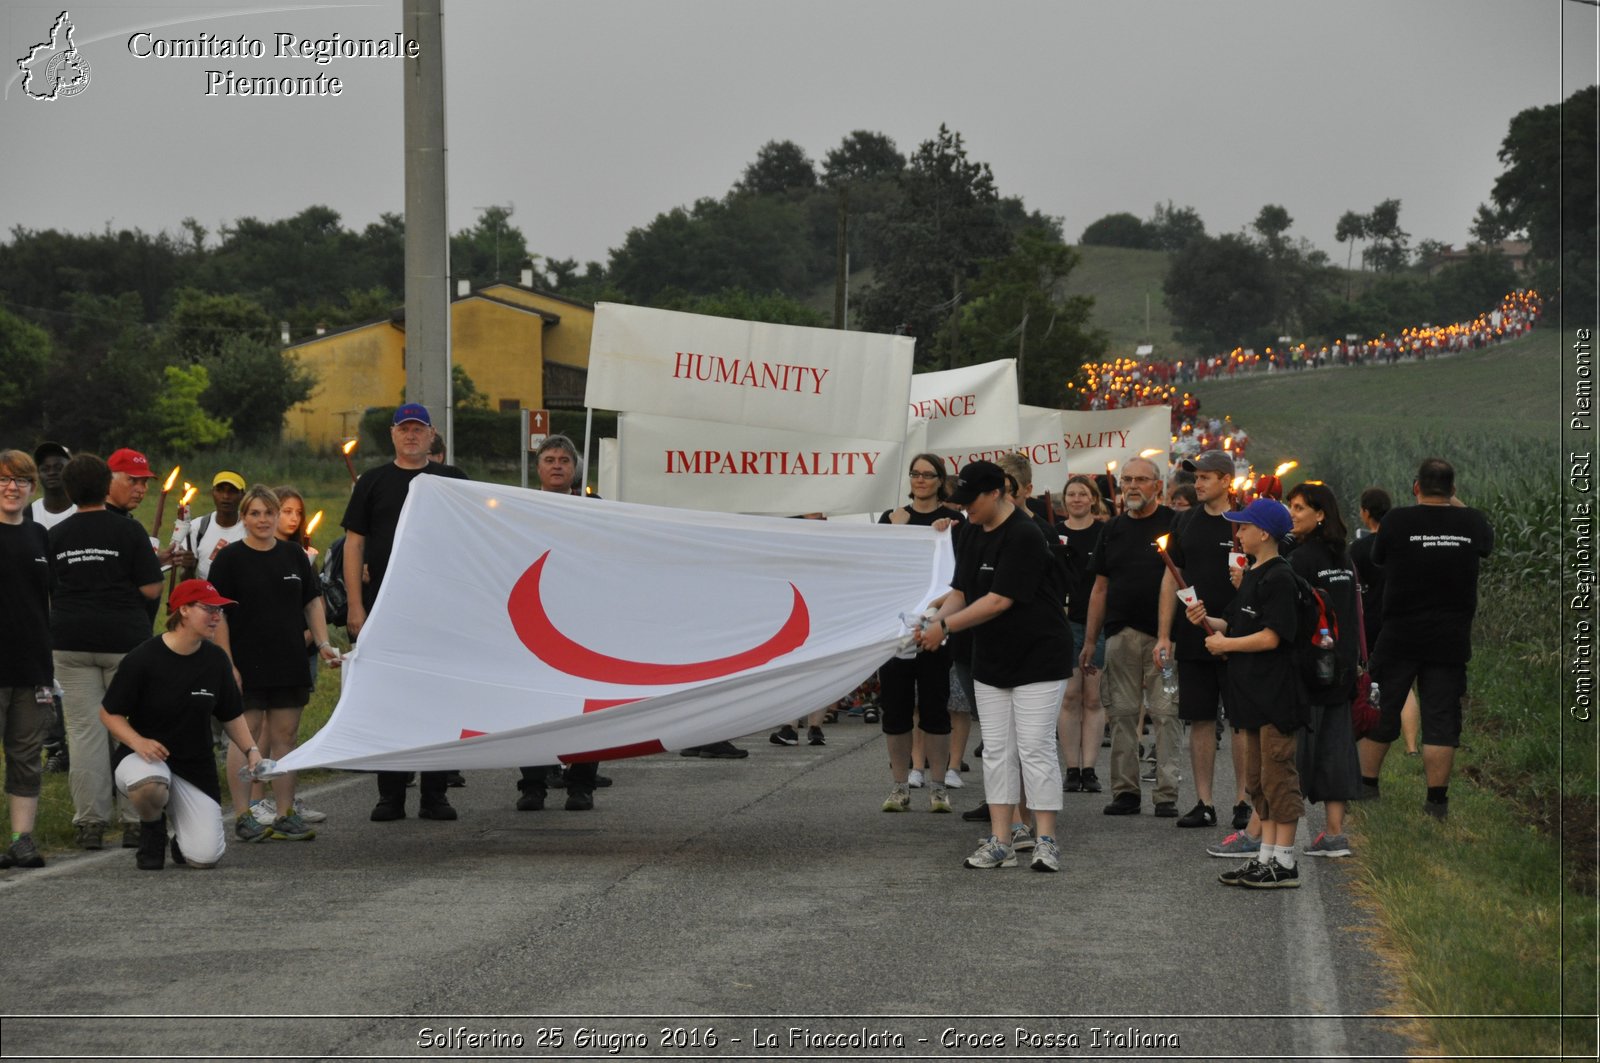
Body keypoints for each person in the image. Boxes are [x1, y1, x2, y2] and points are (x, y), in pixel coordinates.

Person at [917, 460, 1073, 873]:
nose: (966, 509)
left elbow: (1000, 599)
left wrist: (946, 626)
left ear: (996, 493)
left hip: (1040, 655)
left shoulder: (1025, 533)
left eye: (972, 502)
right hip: (991, 657)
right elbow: (963, 590)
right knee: (998, 751)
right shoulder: (969, 531)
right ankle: (1001, 839)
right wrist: (935, 620)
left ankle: (1046, 840)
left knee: (1035, 747)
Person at [341, 402, 469, 822]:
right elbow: (354, 545)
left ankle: (434, 794)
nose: (411, 435)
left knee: (437, 699)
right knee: (389, 699)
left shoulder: (452, 481)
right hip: (385, 608)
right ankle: (390, 794)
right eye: (404, 428)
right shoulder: (373, 482)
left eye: (419, 429)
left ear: (432, 435)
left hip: (442, 609)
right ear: (393, 434)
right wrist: (357, 606)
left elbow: (477, 535)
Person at [1357, 458, 1494, 820]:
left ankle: (1366, 786)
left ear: (1416, 487)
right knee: (1441, 719)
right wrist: (1455, 505)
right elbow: (1485, 543)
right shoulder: (1472, 522)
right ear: (1452, 489)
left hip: (1400, 634)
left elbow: (1379, 556)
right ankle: (1436, 802)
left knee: (1380, 707)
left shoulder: (1396, 521)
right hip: (1449, 639)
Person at [1185, 498, 1307, 889]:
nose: (1237, 534)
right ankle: (1266, 856)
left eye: (1243, 528)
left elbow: (1272, 636)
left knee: (1279, 777)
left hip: (1276, 697)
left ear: (1264, 533)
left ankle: (1284, 861)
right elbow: (1237, 625)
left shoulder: (1281, 578)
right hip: (1251, 697)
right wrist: (1208, 622)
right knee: (1257, 781)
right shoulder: (1254, 574)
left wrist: (1226, 647)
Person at [210, 485, 342, 843]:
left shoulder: (295, 556)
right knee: (246, 738)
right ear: (244, 519)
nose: (263, 520)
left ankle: (285, 813)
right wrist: (227, 663)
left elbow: (312, 601)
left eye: (269, 513)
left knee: (285, 737)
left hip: (288, 660)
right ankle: (243, 815)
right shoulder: (229, 559)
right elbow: (217, 614)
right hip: (245, 663)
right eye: (255, 513)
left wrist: (324, 641)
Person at [100, 579, 262, 870]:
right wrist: (138, 742)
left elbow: (230, 715)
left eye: (220, 611)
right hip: (145, 759)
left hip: (194, 766)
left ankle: (182, 839)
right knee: (150, 785)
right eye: (208, 609)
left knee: (205, 858)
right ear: (183, 611)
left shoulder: (216, 661)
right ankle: (152, 829)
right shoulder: (143, 659)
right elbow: (108, 713)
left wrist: (251, 751)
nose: (216, 617)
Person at [49, 454, 164, 850]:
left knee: (84, 733)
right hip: (124, 641)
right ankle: (135, 819)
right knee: (128, 729)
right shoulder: (128, 532)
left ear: (67, 492)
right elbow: (152, 589)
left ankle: (90, 823)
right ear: (105, 487)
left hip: (69, 641)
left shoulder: (57, 535)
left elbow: (50, 589)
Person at [1079, 457, 1181, 818]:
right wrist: (1091, 640)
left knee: (1166, 713)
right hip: (1120, 635)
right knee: (1121, 713)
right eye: (1127, 479)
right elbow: (1099, 588)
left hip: (1164, 640)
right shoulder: (1112, 529)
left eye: (1141, 479)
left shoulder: (1175, 524)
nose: (1132, 486)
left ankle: (1167, 793)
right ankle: (1125, 791)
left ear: (1158, 485)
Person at [517, 433, 614, 809]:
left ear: (575, 469)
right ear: (538, 467)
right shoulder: (519, 506)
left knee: (588, 705)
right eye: (550, 459)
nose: (557, 465)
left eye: (564, 460)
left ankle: (581, 783)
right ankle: (533, 784)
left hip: (585, 621)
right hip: (534, 621)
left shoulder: (595, 508)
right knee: (531, 705)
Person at [1156, 450, 1250, 831]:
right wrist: (1164, 633)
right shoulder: (1186, 521)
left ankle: (1244, 800)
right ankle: (1204, 801)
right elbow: (1170, 576)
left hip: (1241, 635)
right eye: (1196, 478)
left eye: (1206, 478)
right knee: (1200, 719)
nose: (1198, 484)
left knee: (1243, 721)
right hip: (1195, 635)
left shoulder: (1245, 521)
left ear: (1226, 481)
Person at [877, 453, 961, 815]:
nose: (921, 480)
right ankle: (900, 785)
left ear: (940, 480)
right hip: (895, 629)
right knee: (895, 710)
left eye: (928, 475)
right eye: (915, 474)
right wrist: (895, 529)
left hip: (935, 626)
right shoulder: (892, 518)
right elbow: (879, 565)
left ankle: (938, 785)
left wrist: (951, 532)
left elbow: (962, 573)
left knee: (935, 708)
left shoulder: (956, 521)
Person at [1284, 482, 1362, 857]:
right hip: (1341, 667)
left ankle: (1263, 832)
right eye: (1291, 507)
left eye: (1300, 508)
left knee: (1290, 754)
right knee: (1336, 750)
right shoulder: (1343, 559)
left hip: (1308, 670)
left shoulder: (1300, 560)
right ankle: (1334, 835)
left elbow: (1292, 617)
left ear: (1320, 515)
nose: (1293, 514)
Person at [0, 451, 52, 868]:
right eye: (3, 480)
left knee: (27, 756)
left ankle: (22, 839)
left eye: (20, 480)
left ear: (32, 488)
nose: (11, 487)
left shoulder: (39, 536)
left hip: (32, 667)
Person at [1351, 487, 1421, 755]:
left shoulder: (1359, 549)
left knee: (1370, 682)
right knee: (1406, 687)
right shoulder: (1403, 545)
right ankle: (1412, 745)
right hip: (1401, 620)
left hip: (1370, 623)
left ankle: (1366, 732)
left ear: (1366, 512)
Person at [1057, 475, 1106, 795]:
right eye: (1071, 494)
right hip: (1063, 623)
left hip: (1097, 624)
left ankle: (1090, 768)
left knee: (1093, 697)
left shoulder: (1104, 533)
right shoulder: (1054, 534)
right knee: (1070, 696)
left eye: (1082, 494)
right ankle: (1071, 767)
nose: (1076, 499)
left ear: (1093, 499)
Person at [178, 471, 247, 581]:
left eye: (232, 491)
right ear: (212, 493)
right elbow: (186, 580)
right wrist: (188, 568)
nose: (225, 496)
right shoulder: (197, 527)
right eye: (220, 490)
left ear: (242, 495)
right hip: (207, 596)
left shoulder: (250, 528)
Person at [27, 441, 75, 530]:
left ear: (72, 470)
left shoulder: (83, 510)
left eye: (59, 467)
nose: (51, 472)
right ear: (38, 474)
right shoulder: (27, 514)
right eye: (45, 469)